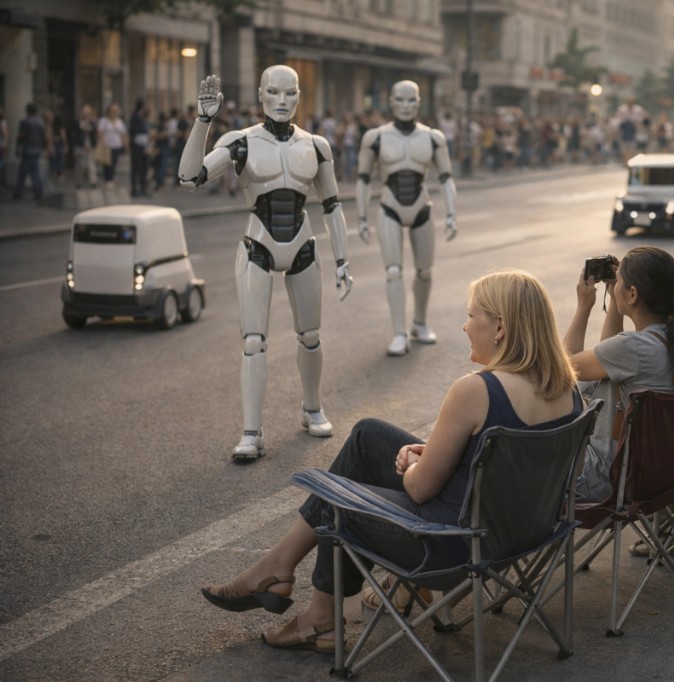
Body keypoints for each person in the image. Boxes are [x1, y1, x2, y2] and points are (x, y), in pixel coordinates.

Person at [199, 270, 582, 651]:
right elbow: (514, 467)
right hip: (521, 538)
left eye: (472, 315)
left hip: (452, 548)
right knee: (368, 436)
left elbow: (420, 487)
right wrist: (429, 454)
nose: (464, 326)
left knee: (338, 497)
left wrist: (415, 465)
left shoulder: (475, 390)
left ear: (500, 326)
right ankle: (280, 571)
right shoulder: (569, 391)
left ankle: (315, 613)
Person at [178, 67, 352, 461]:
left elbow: (332, 204)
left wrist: (342, 259)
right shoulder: (240, 142)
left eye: (289, 93)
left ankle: (312, 409)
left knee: (310, 336)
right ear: (260, 95)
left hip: (303, 246)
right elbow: (190, 178)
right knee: (254, 342)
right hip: (258, 244)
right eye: (272, 92)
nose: (281, 101)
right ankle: (251, 432)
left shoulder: (317, 145)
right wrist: (202, 122)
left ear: (298, 96)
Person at [564, 246, 674, 504]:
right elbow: (608, 356)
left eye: (619, 280)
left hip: (606, 481)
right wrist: (614, 298)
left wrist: (584, 307)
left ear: (632, 294)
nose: (615, 283)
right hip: (660, 476)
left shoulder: (633, 349)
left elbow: (563, 371)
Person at [356, 80, 457, 356]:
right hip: (389, 206)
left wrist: (451, 212)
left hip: (421, 206)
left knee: (425, 271)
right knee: (393, 271)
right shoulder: (375, 137)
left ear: (418, 102)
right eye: (399, 100)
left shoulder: (432, 137)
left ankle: (420, 322)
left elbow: (446, 177)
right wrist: (362, 216)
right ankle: (399, 333)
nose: (405, 105)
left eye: (410, 100)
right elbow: (363, 179)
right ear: (390, 101)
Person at [13, 103, 49, 201]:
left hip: (28, 149)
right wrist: (44, 148)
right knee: (35, 171)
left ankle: (18, 192)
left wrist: (17, 148)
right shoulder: (40, 122)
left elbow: (21, 136)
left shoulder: (25, 122)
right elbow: (44, 137)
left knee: (23, 172)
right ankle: (38, 191)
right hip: (36, 149)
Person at [97, 103, 127, 188]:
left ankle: (111, 179)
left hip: (117, 145)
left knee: (114, 163)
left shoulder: (119, 121)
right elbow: (100, 132)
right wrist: (101, 143)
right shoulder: (103, 121)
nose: (115, 113)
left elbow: (123, 133)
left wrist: (125, 143)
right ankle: (107, 180)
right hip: (107, 145)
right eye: (113, 111)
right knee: (107, 163)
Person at [69, 104, 97, 189]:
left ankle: (93, 181)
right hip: (79, 145)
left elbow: (94, 134)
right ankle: (79, 182)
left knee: (91, 164)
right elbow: (72, 135)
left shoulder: (92, 123)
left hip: (89, 145)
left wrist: (93, 144)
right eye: (84, 111)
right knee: (79, 165)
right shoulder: (76, 123)